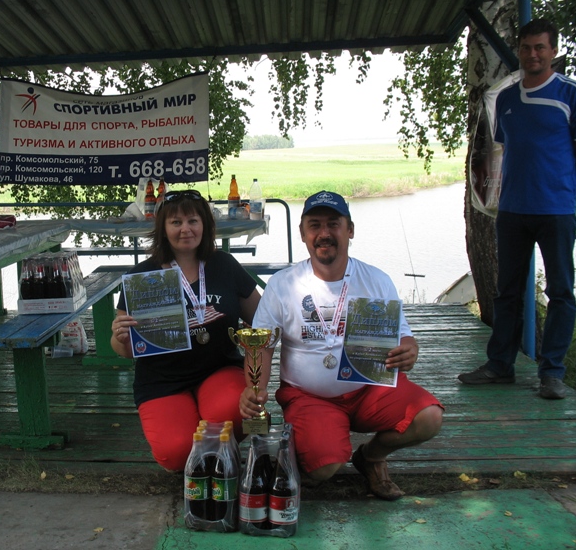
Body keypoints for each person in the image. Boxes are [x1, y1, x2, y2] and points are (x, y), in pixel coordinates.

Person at [239, 190, 443, 500]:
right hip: (310, 397)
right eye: (315, 225)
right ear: (303, 233)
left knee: (428, 417)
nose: (324, 233)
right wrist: (255, 389)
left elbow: (403, 334)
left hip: (369, 389)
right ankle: (314, 444)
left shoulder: (376, 279)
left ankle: (371, 456)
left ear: (350, 230)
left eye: (333, 224)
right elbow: (262, 345)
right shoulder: (283, 284)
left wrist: (409, 348)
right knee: (324, 466)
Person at [458, 19, 576, 400]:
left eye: (540, 48)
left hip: (556, 209)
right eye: (526, 48)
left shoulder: (571, 93)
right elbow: (505, 150)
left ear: (553, 51)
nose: (532, 55)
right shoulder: (507, 99)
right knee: (507, 291)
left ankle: (552, 374)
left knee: (561, 292)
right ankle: (499, 366)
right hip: (513, 210)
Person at [111, 189, 262, 471]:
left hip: (218, 370)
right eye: (176, 222)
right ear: (163, 229)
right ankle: (202, 443)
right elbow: (124, 350)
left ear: (205, 225)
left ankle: (220, 454)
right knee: (176, 453)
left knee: (236, 412)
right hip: (162, 381)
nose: (185, 229)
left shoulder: (224, 264)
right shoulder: (141, 276)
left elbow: (262, 318)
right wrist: (119, 337)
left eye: (193, 221)